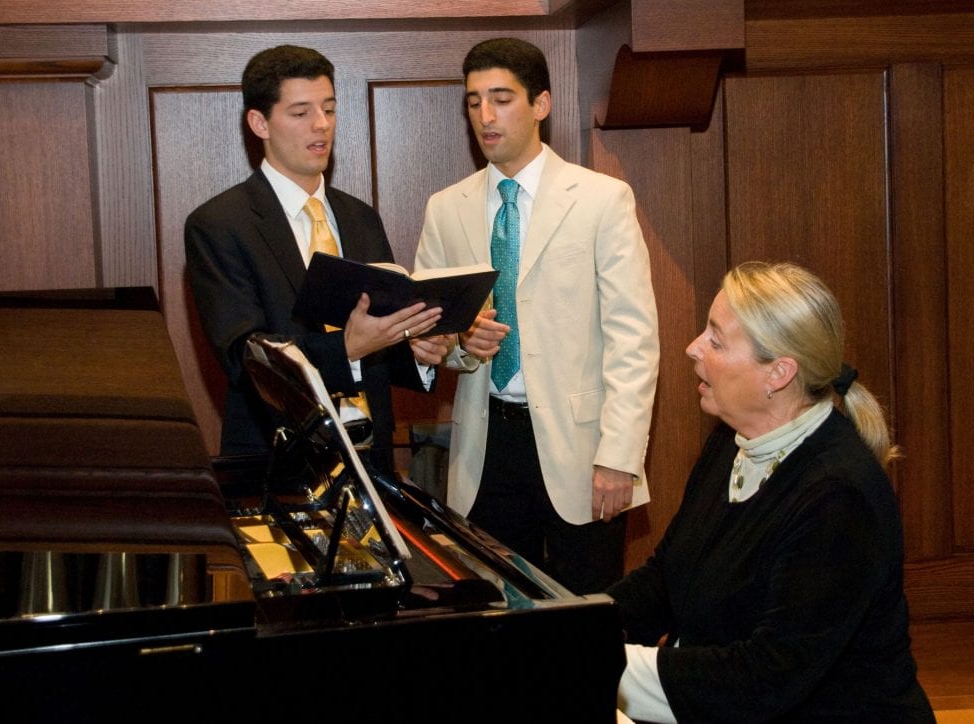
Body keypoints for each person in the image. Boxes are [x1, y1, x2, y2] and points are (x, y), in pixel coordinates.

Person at [608, 261, 934, 722]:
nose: (692, 348)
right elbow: (669, 576)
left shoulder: (838, 496)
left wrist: (593, 663)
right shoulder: (731, 440)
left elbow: (763, 680)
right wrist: (573, 629)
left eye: (716, 340)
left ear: (778, 374)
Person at [412, 37, 660, 594]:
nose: (485, 115)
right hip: (485, 446)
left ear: (541, 104)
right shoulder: (445, 208)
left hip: (583, 448)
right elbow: (431, 334)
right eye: (474, 101)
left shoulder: (602, 199)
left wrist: (620, 457)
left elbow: (634, 338)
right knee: (497, 614)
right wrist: (460, 344)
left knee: (586, 618)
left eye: (501, 98)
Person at [185, 45, 447, 473]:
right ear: (259, 123)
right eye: (301, 112)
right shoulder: (219, 224)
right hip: (279, 463)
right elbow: (244, 357)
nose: (321, 125)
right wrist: (345, 347)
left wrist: (415, 350)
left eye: (328, 109)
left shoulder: (360, 218)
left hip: (373, 462)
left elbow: (375, 343)